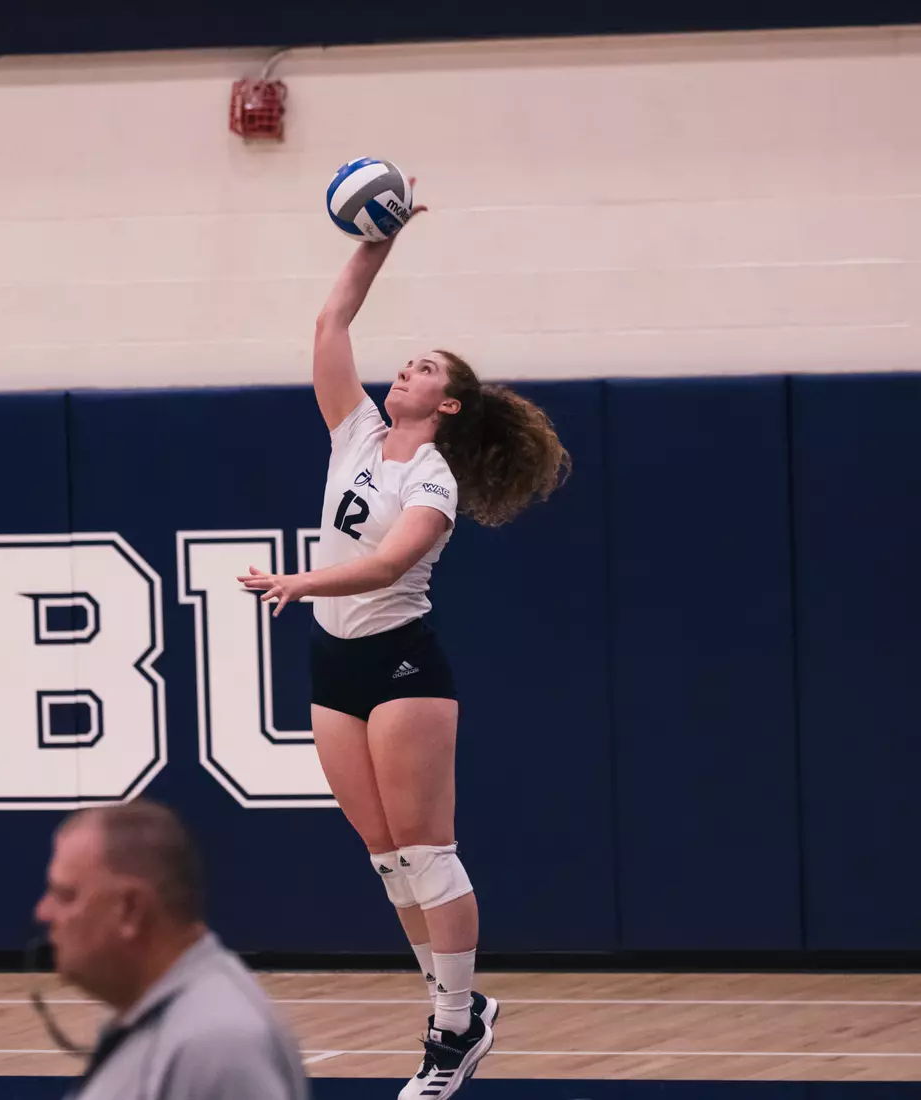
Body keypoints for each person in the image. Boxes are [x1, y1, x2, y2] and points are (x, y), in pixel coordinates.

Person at [238, 185, 569, 1098]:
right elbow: (330, 322)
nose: (404, 372)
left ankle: (453, 1029)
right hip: (333, 662)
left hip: (401, 664)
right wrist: (376, 239)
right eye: (408, 362)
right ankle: (454, 1006)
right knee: (384, 855)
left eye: (423, 369)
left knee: (427, 849)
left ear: (450, 404)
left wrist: (300, 581)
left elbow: (386, 568)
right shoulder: (356, 435)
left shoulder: (432, 481)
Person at [35, 800, 308, 1100]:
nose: (44, 913)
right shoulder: (160, 1021)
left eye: (66, 896)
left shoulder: (215, 1045)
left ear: (130, 910)